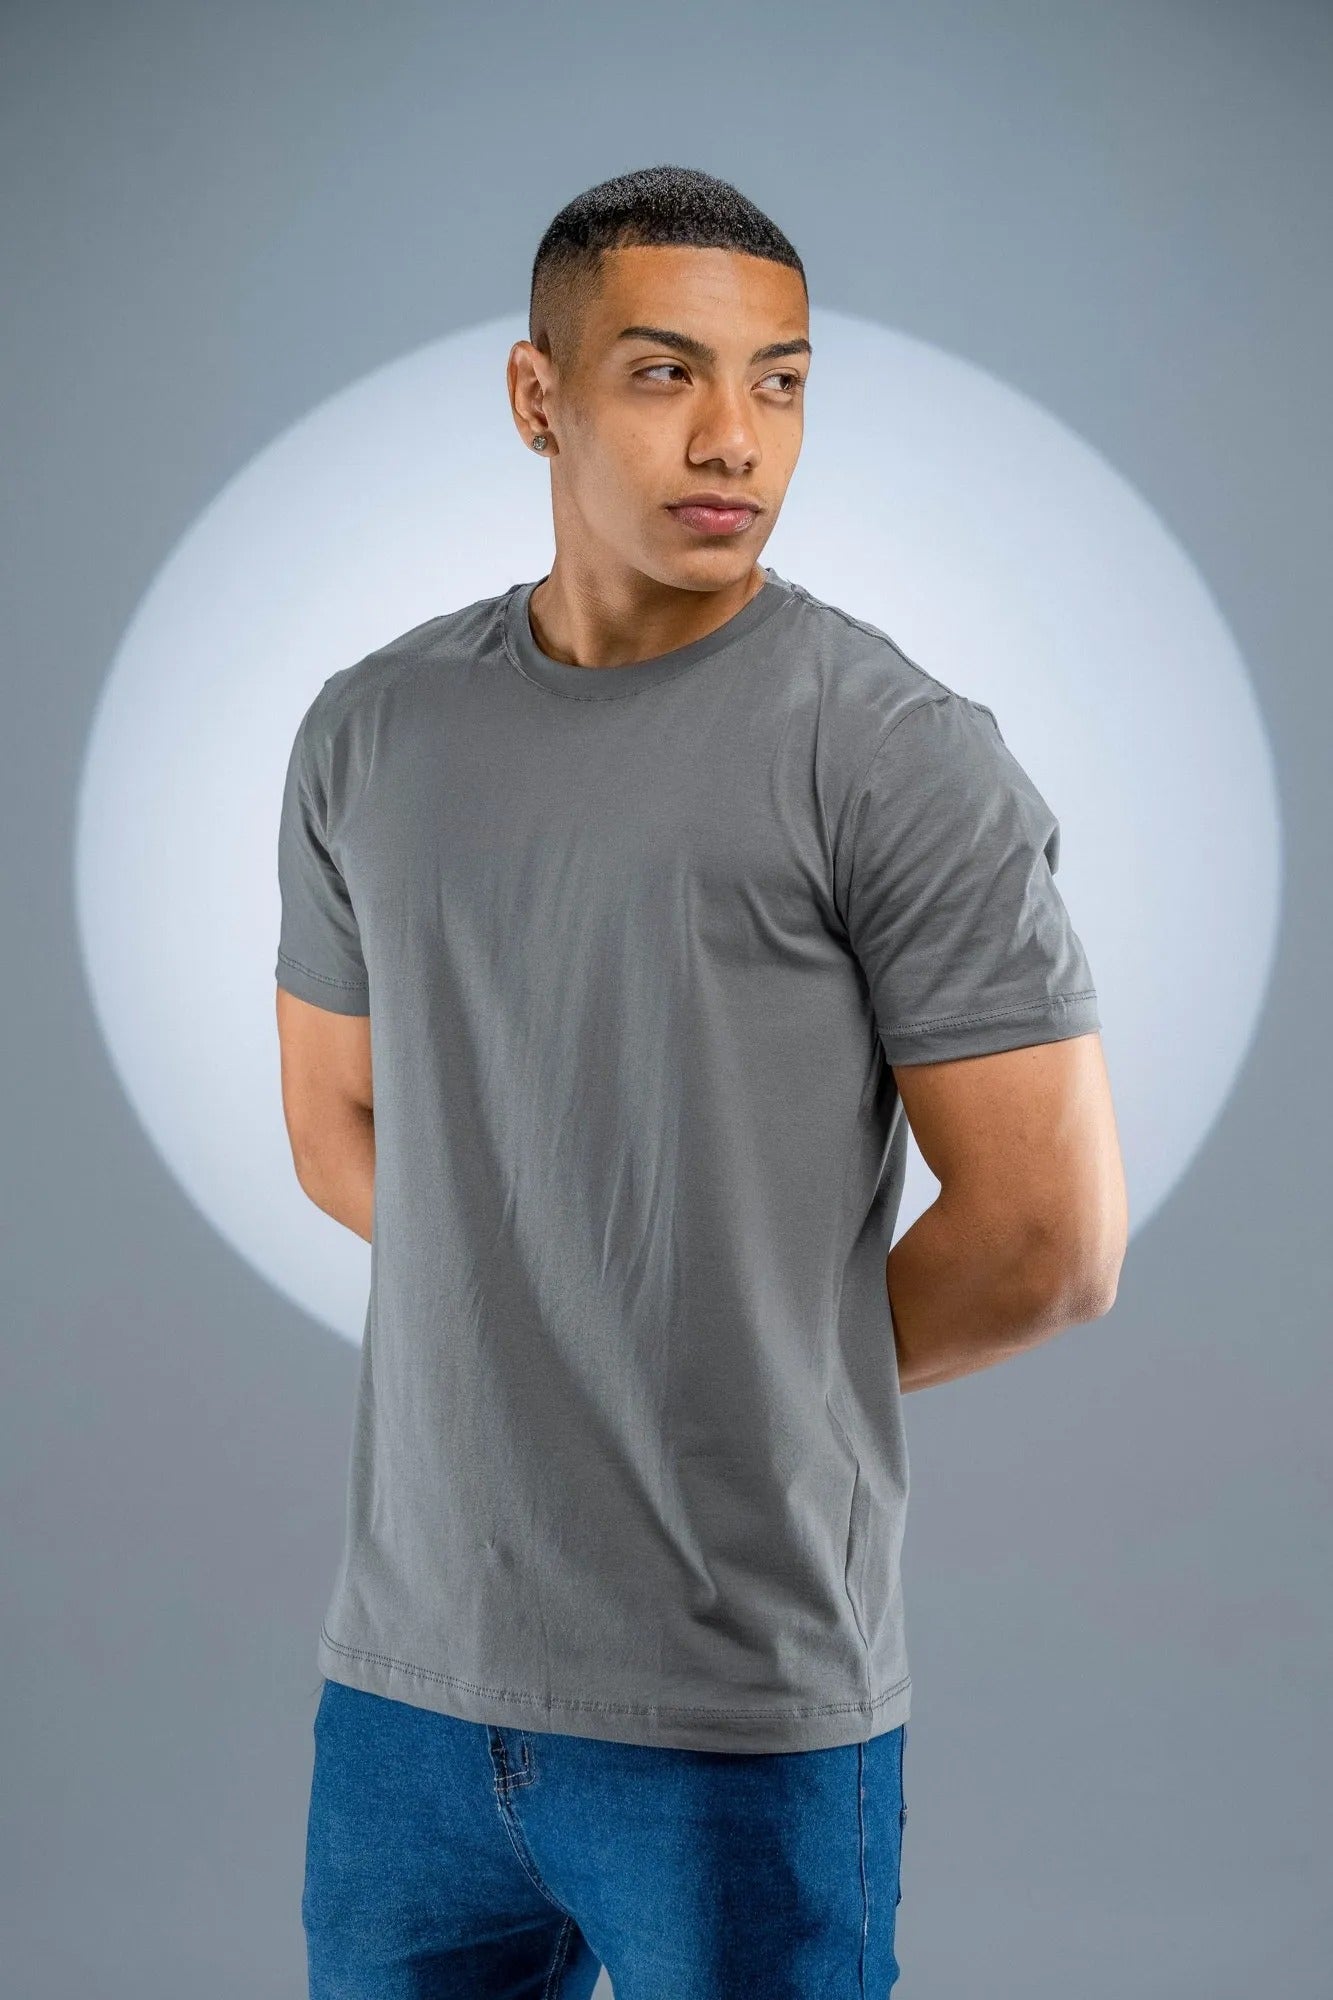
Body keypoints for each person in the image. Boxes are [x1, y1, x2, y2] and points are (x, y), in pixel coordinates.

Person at [276, 162, 1127, 2000]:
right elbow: (336, 1128)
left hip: (733, 1708)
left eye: (781, 382)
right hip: (404, 1694)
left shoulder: (892, 754)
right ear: (538, 397)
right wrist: (554, 1322)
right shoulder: (373, 728)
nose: (734, 437)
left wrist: (735, 1376)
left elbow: (1046, 1243)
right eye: (665, 374)